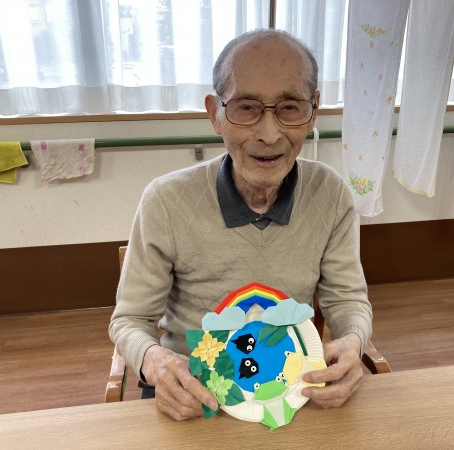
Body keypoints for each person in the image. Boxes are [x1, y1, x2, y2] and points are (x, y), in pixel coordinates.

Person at [109, 29, 372, 421]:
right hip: (192, 400)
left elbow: (348, 301)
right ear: (215, 113)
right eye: (246, 108)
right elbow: (129, 321)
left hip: (289, 395)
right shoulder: (165, 201)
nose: (269, 134)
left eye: (290, 107)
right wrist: (155, 361)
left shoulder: (330, 194)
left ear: (314, 110)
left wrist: (352, 342)